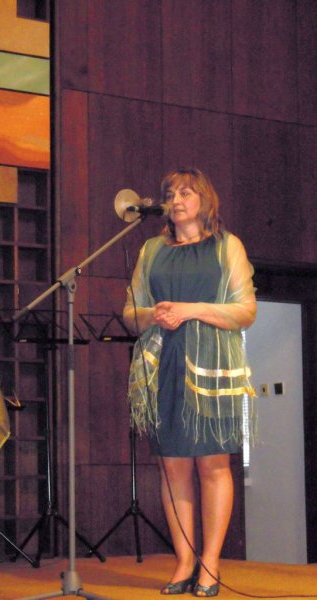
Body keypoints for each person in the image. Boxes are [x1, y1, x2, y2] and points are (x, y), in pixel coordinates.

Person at [123, 168, 257, 597]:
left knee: (213, 465)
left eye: (186, 192)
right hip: (164, 363)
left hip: (213, 365)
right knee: (173, 465)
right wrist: (154, 315)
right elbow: (131, 315)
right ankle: (184, 561)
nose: (177, 200)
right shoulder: (151, 250)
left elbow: (246, 311)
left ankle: (210, 564)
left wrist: (190, 309)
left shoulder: (227, 246)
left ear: (204, 200)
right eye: (170, 193)